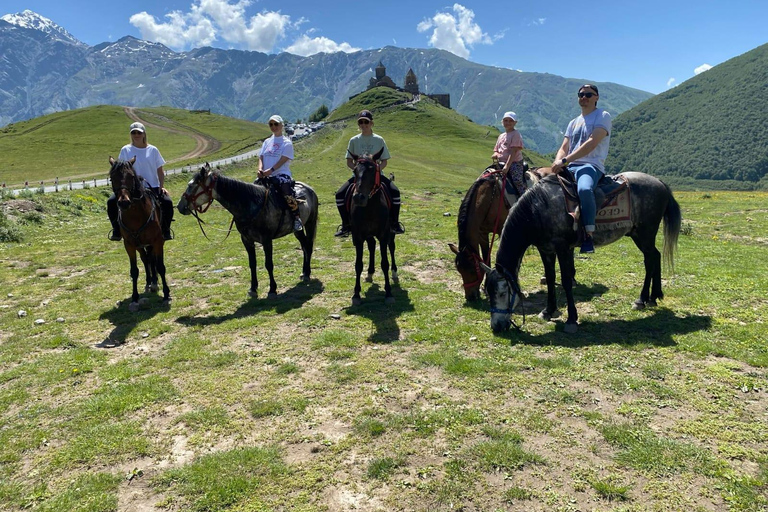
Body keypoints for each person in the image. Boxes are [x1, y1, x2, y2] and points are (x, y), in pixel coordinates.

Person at [550, 84, 612, 254]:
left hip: (591, 165)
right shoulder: (573, 122)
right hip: (570, 166)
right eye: (581, 94)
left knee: (584, 189)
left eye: (589, 94)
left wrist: (564, 160)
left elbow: (591, 144)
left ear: (597, 97)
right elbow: (564, 146)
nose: (584, 97)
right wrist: (557, 162)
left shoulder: (602, 116)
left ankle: (588, 234)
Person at [334, 110, 403, 237]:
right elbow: (349, 161)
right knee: (339, 194)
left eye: (366, 122)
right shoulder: (353, 140)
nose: (363, 124)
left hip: (377, 176)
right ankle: (346, 225)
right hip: (358, 178)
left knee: (395, 192)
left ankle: (394, 223)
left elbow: (384, 161)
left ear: (371, 123)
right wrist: (358, 171)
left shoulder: (379, 139)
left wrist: (376, 171)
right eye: (361, 122)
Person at [108, 122, 174, 241]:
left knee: (167, 202)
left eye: (139, 132)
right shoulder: (126, 150)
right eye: (134, 132)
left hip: (151, 187)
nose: (136, 135)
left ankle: (165, 230)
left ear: (144, 134)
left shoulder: (153, 150)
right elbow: (120, 170)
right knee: (111, 201)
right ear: (131, 134)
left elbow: (160, 171)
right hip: (131, 189)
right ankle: (116, 230)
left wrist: (161, 186)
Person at [258, 115, 303, 232]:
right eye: (271, 124)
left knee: (286, 191)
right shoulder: (267, 141)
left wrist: (271, 171)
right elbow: (261, 157)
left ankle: (296, 217)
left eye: (276, 124)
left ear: (282, 125)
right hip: (266, 174)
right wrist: (260, 169)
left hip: (281, 174)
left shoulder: (287, 143)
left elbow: (283, 160)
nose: (273, 127)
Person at [492, 111, 526, 196]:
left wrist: (507, 166)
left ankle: (525, 197)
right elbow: (496, 149)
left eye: (510, 121)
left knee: (517, 180)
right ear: (502, 122)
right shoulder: (501, 136)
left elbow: (513, 151)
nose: (508, 123)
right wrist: (495, 154)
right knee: (488, 176)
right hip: (500, 162)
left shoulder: (516, 134)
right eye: (505, 120)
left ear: (515, 123)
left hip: (514, 162)